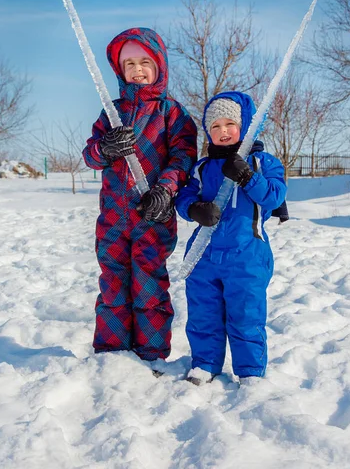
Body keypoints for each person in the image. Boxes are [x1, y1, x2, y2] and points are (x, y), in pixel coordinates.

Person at [83, 27, 197, 372]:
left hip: (152, 215)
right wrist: (103, 149)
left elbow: (183, 159)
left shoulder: (173, 113)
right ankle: (112, 354)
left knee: (148, 285)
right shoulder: (111, 112)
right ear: (119, 70)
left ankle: (151, 354)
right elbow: (90, 154)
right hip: (113, 219)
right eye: (129, 63)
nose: (137, 69)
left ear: (159, 65)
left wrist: (165, 190)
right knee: (113, 282)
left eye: (145, 61)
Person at [175, 91, 287, 386]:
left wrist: (248, 176)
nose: (223, 131)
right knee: (203, 314)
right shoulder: (201, 167)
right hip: (204, 256)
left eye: (229, 124)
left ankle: (250, 372)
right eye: (215, 126)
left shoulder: (263, 163)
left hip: (246, 255)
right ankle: (205, 365)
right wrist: (194, 209)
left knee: (246, 315)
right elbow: (184, 197)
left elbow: (275, 196)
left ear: (245, 126)